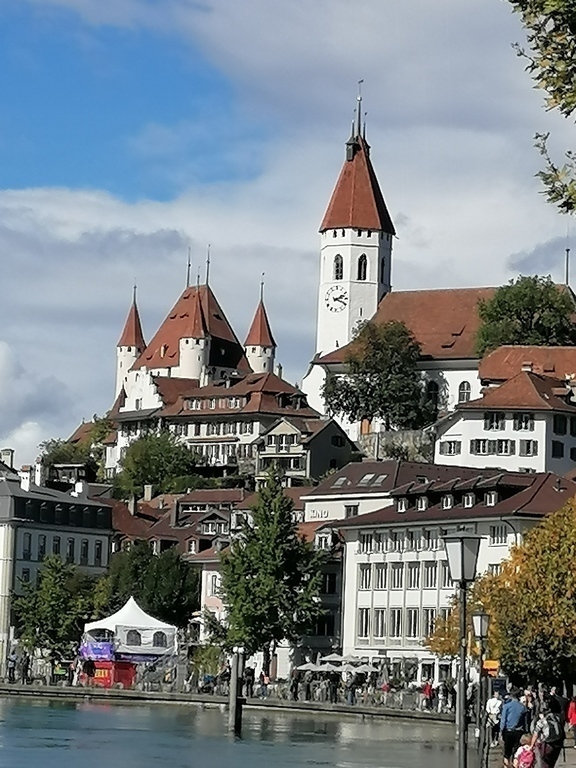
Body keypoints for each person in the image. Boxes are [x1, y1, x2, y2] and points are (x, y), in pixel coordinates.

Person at [530, 704, 565, 768]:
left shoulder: (541, 721)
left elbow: (535, 734)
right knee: (552, 762)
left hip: (546, 743)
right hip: (557, 743)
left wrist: (531, 745)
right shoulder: (556, 718)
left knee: (543, 762)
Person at [501, 689, 528, 768]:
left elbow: (503, 720)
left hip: (508, 731)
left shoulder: (506, 706)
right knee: (516, 752)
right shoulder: (522, 707)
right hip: (518, 732)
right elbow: (525, 721)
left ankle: (506, 766)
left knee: (507, 753)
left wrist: (501, 731)